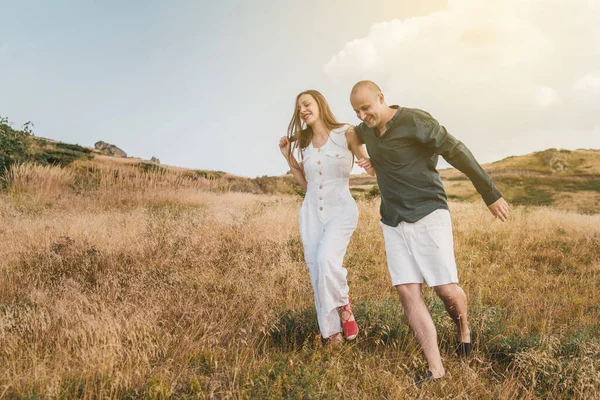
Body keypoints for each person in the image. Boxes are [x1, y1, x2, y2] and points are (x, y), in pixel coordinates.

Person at [349, 80, 509, 383]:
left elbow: (456, 150)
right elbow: (350, 134)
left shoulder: (415, 121)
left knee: (445, 290)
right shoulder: (365, 128)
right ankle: (436, 369)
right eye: (356, 110)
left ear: (381, 98)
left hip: (428, 213)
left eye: (366, 108)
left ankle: (463, 329)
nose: (362, 115)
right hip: (392, 220)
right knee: (407, 292)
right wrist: (364, 158)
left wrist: (489, 193)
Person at [279, 89, 375, 344]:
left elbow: (366, 161)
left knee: (326, 260)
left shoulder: (346, 132)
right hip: (311, 212)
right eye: (299, 108)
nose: (303, 110)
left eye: (307, 104)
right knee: (316, 271)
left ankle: (344, 305)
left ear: (320, 104)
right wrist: (289, 157)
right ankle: (331, 335)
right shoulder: (305, 145)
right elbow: (306, 184)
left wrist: (369, 164)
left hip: (340, 209)